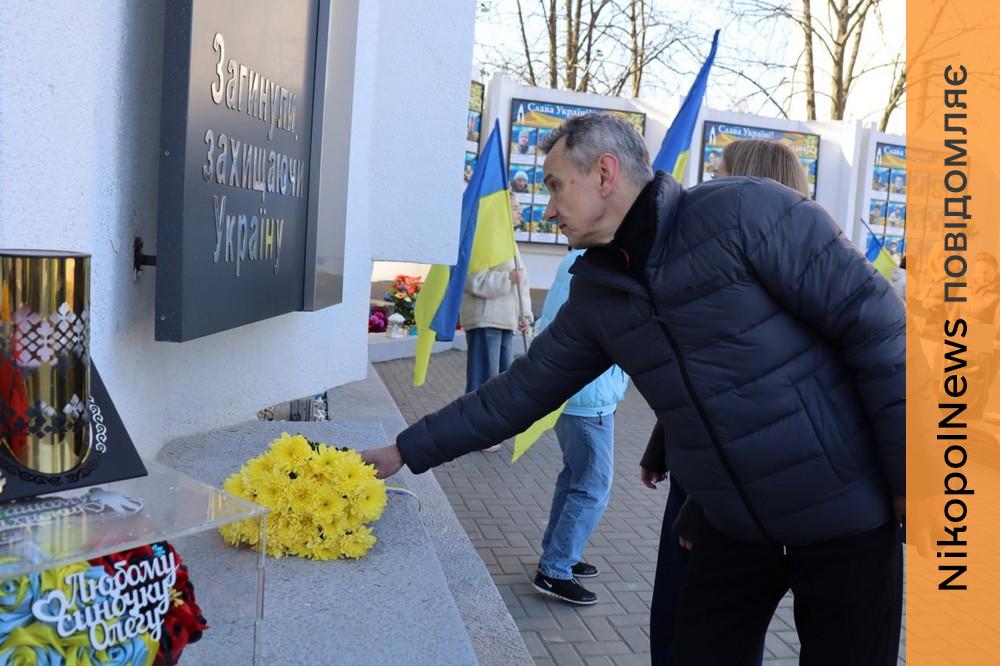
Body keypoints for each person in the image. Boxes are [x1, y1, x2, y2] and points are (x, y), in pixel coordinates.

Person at [363, 114, 904, 665]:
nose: (547, 208)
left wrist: (911, 484)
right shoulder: (599, 295)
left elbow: (880, 330)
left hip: (845, 519)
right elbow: (517, 393)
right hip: (733, 529)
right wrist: (404, 450)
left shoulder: (745, 212)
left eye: (554, 186)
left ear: (604, 173)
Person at [641, 138, 808, 665]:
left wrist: (701, 507)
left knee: (702, 633)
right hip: (701, 478)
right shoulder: (727, 266)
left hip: (728, 493)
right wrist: (660, 445)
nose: (703, 187)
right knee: (679, 621)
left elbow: (756, 404)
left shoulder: (785, 281)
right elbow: (701, 377)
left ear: (750, 185)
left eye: (718, 173)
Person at [533, 249, 629, 605]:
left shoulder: (578, 258)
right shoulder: (607, 264)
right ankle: (555, 569)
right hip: (590, 396)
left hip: (571, 390)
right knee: (592, 486)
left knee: (574, 478)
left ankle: (557, 554)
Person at [459, 192, 533, 451]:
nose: (518, 212)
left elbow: (521, 283)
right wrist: (506, 280)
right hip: (485, 319)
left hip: (504, 321)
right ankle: (473, 432)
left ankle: (490, 429)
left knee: (500, 381)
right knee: (483, 378)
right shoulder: (485, 239)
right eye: (514, 207)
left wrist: (525, 316)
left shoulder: (509, 241)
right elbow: (472, 280)